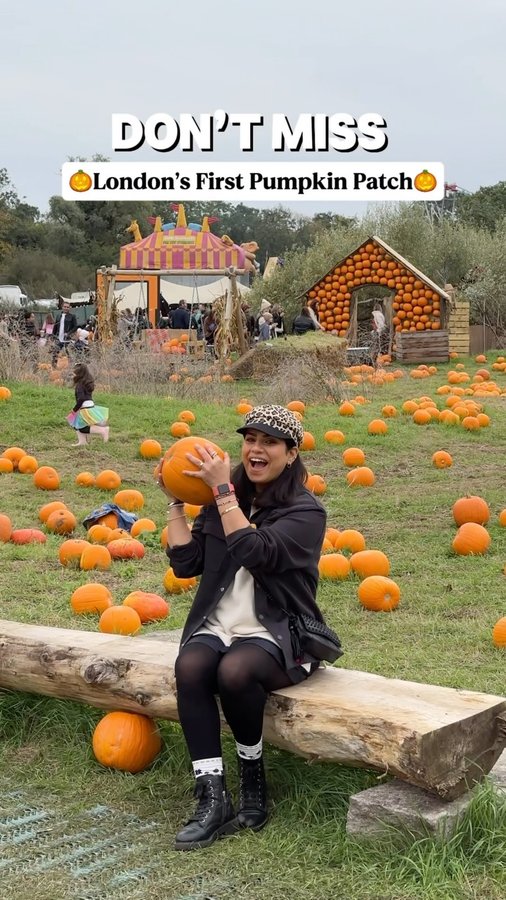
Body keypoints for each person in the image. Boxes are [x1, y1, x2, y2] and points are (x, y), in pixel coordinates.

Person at [156, 404, 328, 851]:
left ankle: (252, 774)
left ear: (291, 454)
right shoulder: (220, 498)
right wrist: (176, 502)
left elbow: (254, 550)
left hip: (278, 630)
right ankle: (212, 796)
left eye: (269, 442)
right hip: (220, 622)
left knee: (234, 671)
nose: (256, 449)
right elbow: (187, 562)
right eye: (250, 439)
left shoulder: (306, 512)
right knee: (190, 666)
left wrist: (222, 492)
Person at [67, 363, 109, 446]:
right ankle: (82, 442)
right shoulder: (85, 383)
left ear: (79, 374)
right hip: (89, 405)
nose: (73, 376)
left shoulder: (80, 385)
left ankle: (103, 430)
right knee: (76, 424)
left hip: (85, 407)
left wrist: (74, 410)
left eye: (74, 374)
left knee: (82, 427)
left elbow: (81, 399)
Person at [52, 301, 77, 367]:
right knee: (55, 353)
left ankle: (71, 367)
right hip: (58, 338)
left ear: (70, 308)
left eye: (67, 307)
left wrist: (68, 333)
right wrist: (53, 335)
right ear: (62, 307)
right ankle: (54, 367)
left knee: (69, 354)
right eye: (65, 307)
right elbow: (55, 326)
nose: (66, 308)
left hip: (67, 339)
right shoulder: (58, 316)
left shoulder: (72, 316)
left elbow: (75, 327)